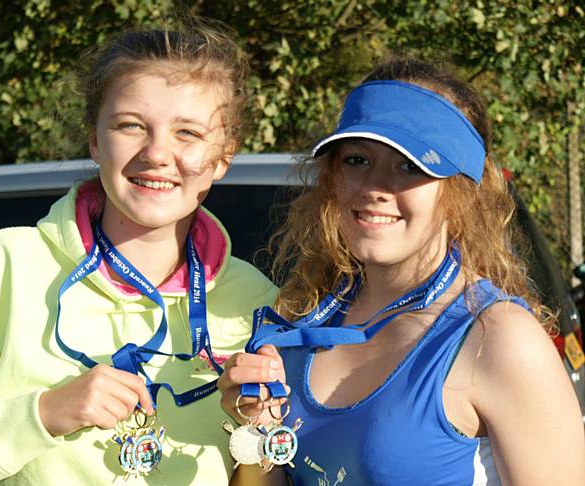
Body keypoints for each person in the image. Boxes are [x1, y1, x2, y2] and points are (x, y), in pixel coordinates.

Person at [218, 57, 585, 485]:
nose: (374, 188)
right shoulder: (305, 323)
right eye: (356, 160)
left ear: (464, 190)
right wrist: (258, 429)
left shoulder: (498, 338)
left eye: (410, 166)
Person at [0, 21, 277, 485]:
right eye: (131, 126)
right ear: (95, 140)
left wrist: (256, 430)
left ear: (223, 157)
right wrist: (41, 414)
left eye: (188, 133)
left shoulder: (258, 302)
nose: (158, 153)